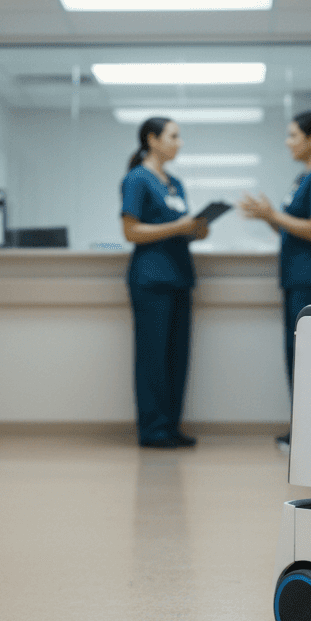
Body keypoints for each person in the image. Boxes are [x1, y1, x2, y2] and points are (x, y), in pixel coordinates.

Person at [238, 110, 311, 450]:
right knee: (295, 354)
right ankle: (302, 427)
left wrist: (273, 215)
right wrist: (268, 217)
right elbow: (290, 226)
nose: (287, 142)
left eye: (293, 135)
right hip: (295, 278)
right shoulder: (302, 178)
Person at [120, 117, 210, 449]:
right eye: (174, 136)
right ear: (152, 140)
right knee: (152, 356)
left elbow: (181, 226)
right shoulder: (137, 179)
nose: (179, 142)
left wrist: (198, 228)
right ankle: (153, 430)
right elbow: (131, 231)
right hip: (151, 279)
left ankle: (171, 426)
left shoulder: (175, 184)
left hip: (179, 277)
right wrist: (178, 227)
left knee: (176, 357)